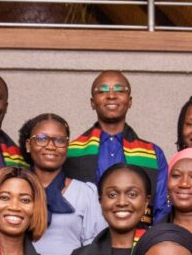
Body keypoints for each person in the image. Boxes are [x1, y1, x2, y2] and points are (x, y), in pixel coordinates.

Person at [64, 70, 170, 221]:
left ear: (130, 101)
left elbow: (162, 210)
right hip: (85, 241)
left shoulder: (153, 153)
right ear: (93, 103)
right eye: (102, 91)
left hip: (141, 240)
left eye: (120, 90)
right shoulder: (70, 152)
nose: (111, 95)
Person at [21, 113, 105, 255]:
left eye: (59, 140)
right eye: (41, 138)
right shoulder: (15, 190)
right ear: (28, 145)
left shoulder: (85, 193)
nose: (51, 146)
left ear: (67, 146)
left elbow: (95, 250)